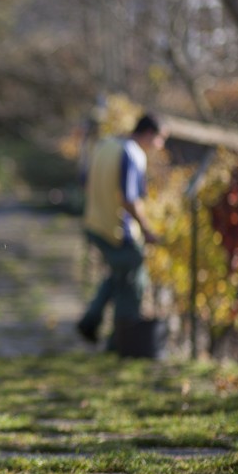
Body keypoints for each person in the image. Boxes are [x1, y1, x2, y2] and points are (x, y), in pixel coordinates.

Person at [76, 113, 165, 347]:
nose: (160, 146)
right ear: (149, 134)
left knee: (118, 273)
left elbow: (84, 182)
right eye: (160, 139)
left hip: (95, 224)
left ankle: (90, 322)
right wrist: (146, 230)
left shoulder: (105, 146)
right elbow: (130, 199)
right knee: (134, 277)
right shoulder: (132, 154)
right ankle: (121, 341)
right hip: (117, 229)